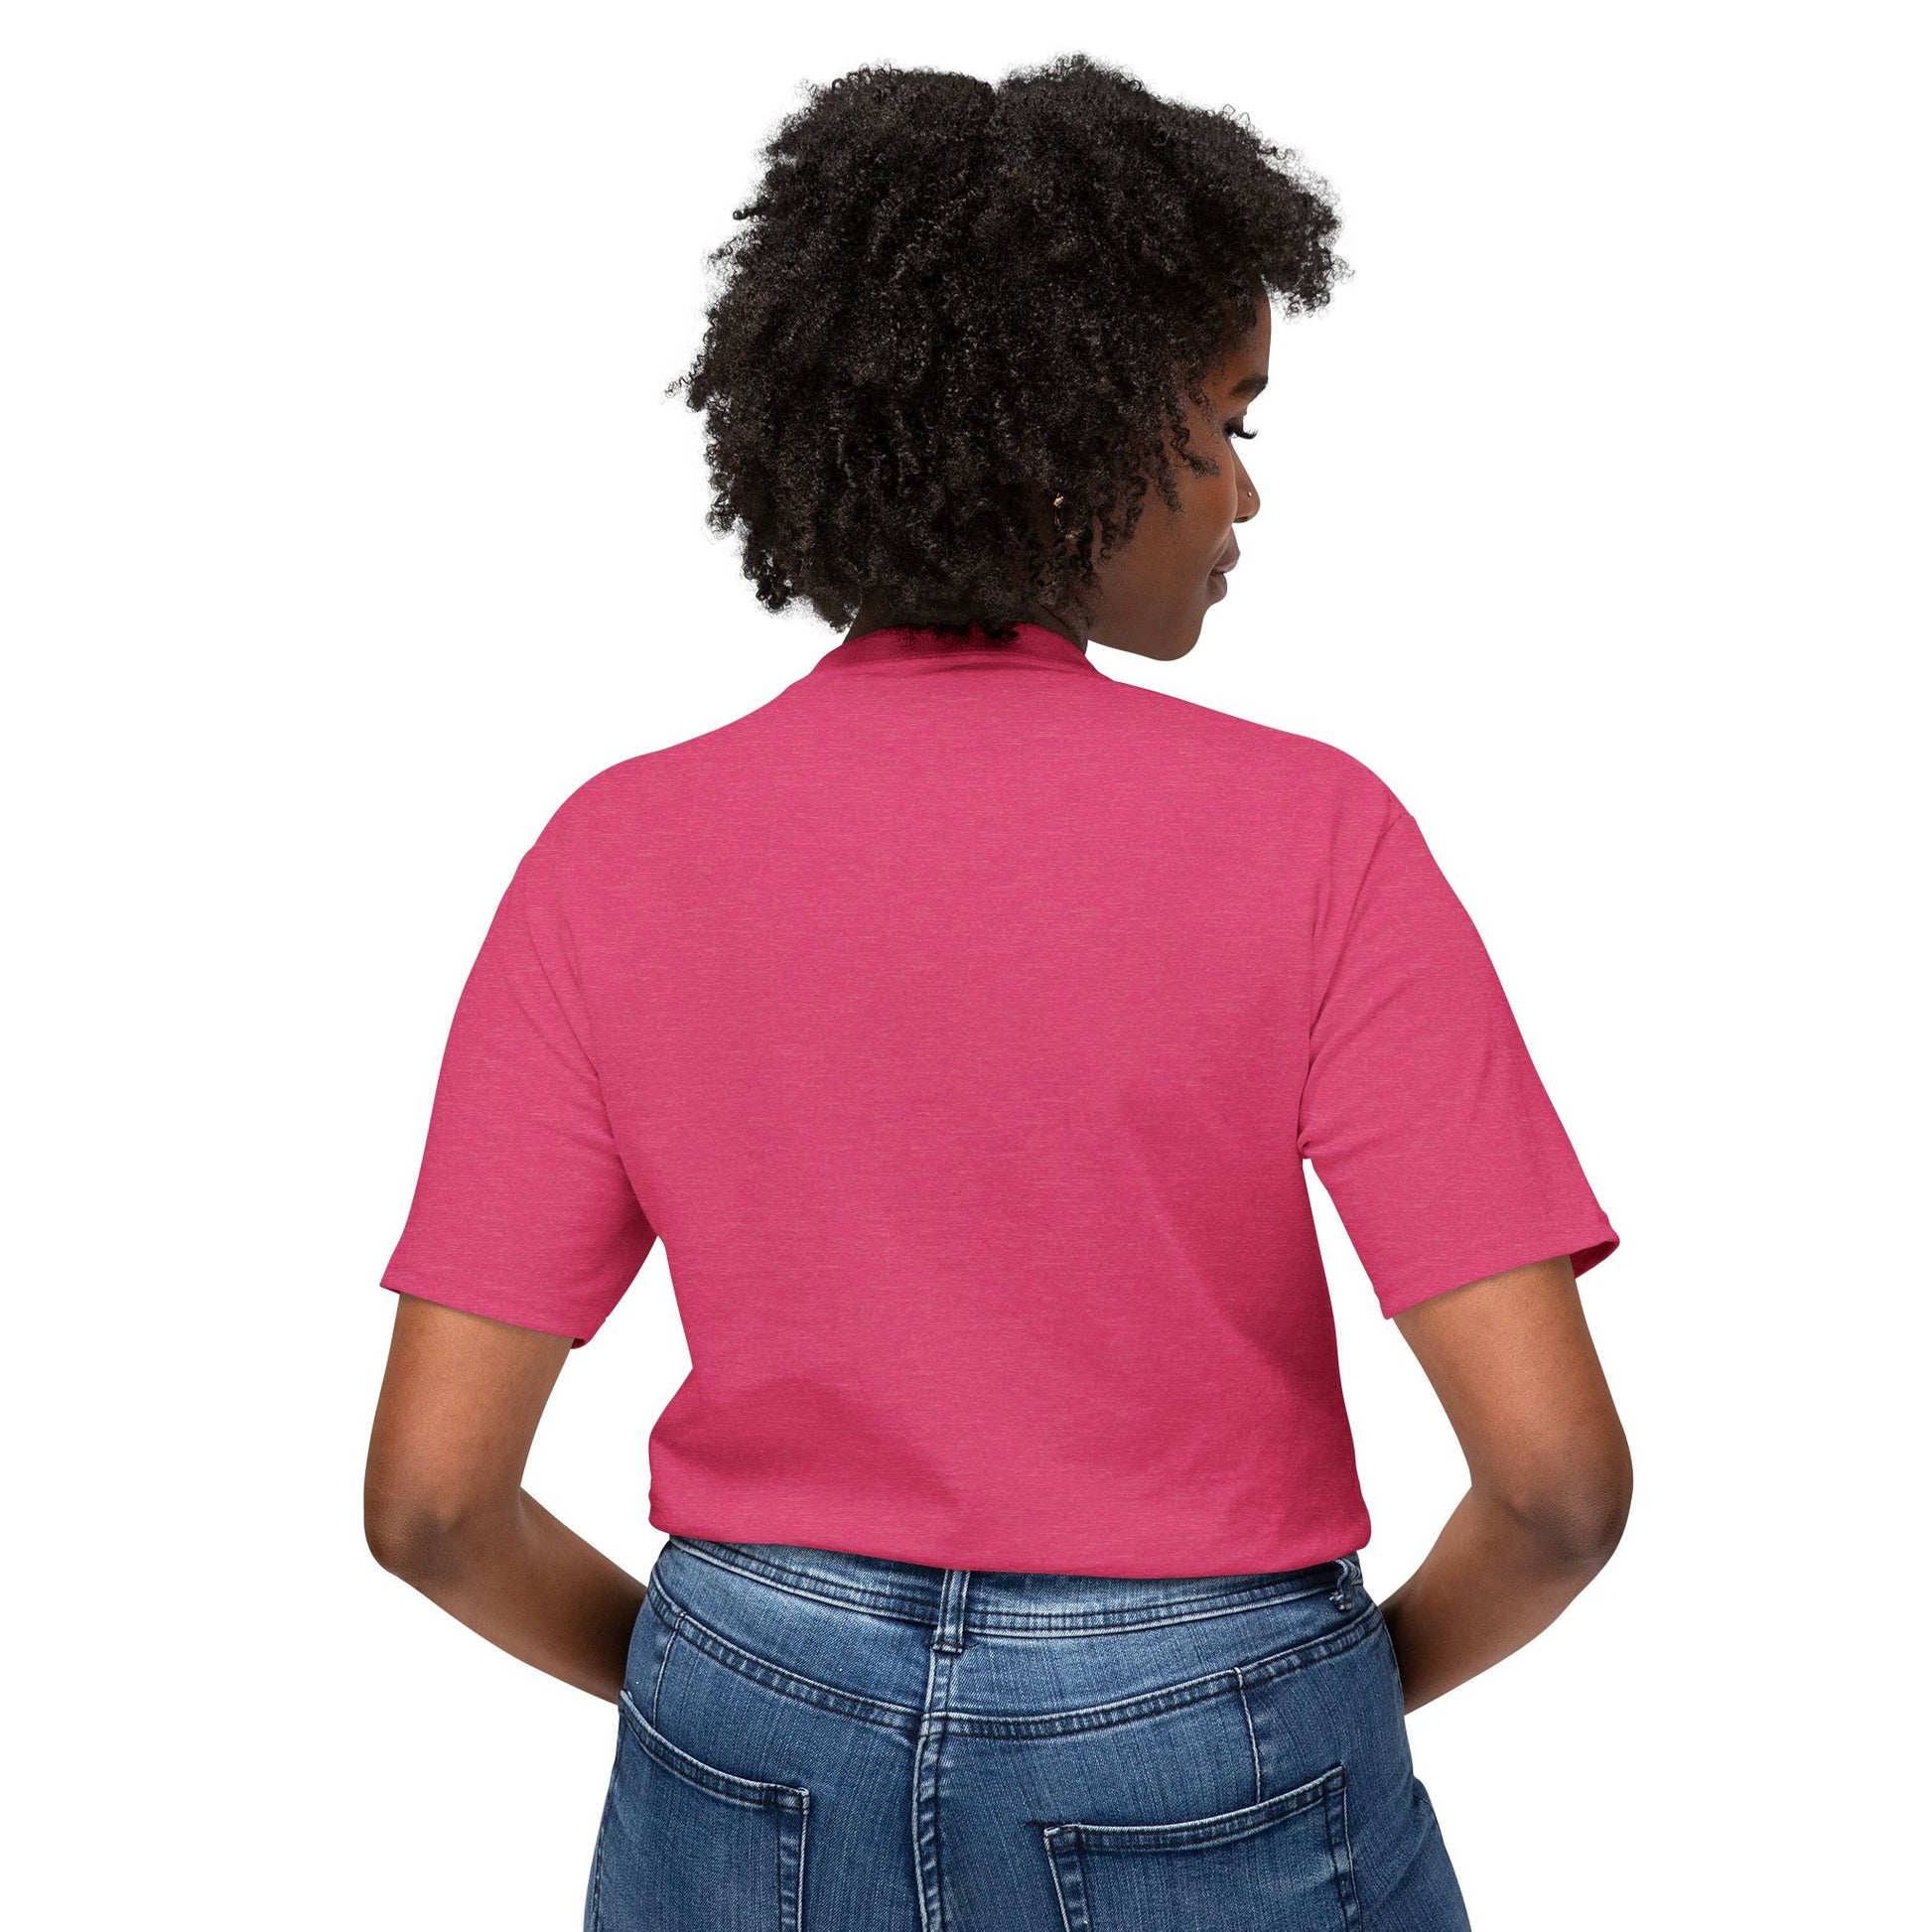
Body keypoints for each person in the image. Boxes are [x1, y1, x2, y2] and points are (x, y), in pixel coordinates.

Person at [364, 55, 1630, 1932]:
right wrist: (1287, 1711)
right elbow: (1555, 1487)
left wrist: (757, 1705)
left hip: (742, 1684)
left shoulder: (614, 850)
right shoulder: (1312, 835)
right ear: (1072, 446)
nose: (1247, 493)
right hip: (1213, 1695)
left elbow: (432, 1502)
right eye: (1224, 422)